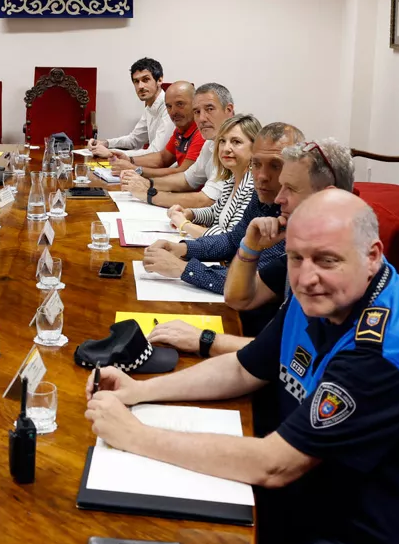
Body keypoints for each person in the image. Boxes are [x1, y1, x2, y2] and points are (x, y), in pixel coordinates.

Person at [87, 191, 399, 544]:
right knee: (164, 533)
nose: (305, 276)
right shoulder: (323, 298)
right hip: (335, 502)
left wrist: (134, 435)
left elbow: (274, 464)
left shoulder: (386, 348)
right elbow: (245, 367)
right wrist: (140, 391)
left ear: (372, 256)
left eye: (326, 259)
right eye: (297, 258)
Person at [149, 136, 356, 356]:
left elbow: (288, 353)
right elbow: (239, 297)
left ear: (327, 197)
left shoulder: (336, 273)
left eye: (291, 188)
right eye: (256, 164)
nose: (279, 198)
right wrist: (249, 246)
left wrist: (205, 339)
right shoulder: (301, 249)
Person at [120, 82, 235, 209]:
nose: (202, 118)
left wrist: (148, 193)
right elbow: (187, 179)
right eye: (197, 111)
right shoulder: (210, 141)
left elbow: (206, 200)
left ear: (228, 110)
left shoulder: (235, 146)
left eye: (209, 109)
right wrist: (147, 183)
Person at [167, 114, 261, 239]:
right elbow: (215, 212)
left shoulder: (255, 188)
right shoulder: (231, 181)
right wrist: (189, 213)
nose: (226, 148)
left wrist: (184, 225)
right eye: (222, 141)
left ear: (255, 148)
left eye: (236, 142)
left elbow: (229, 239)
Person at [104, 81, 204, 178]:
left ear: (195, 104)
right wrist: (129, 159)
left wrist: (135, 169)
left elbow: (183, 175)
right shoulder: (180, 129)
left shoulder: (202, 132)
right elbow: (162, 158)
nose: (173, 112)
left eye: (180, 104)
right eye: (169, 106)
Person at [89, 57, 174, 159]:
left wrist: (111, 153)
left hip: (169, 170)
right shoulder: (149, 108)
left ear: (159, 80)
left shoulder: (170, 107)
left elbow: (156, 152)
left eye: (145, 80)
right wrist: (105, 143)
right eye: (136, 81)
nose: (140, 86)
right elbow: (134, 140)